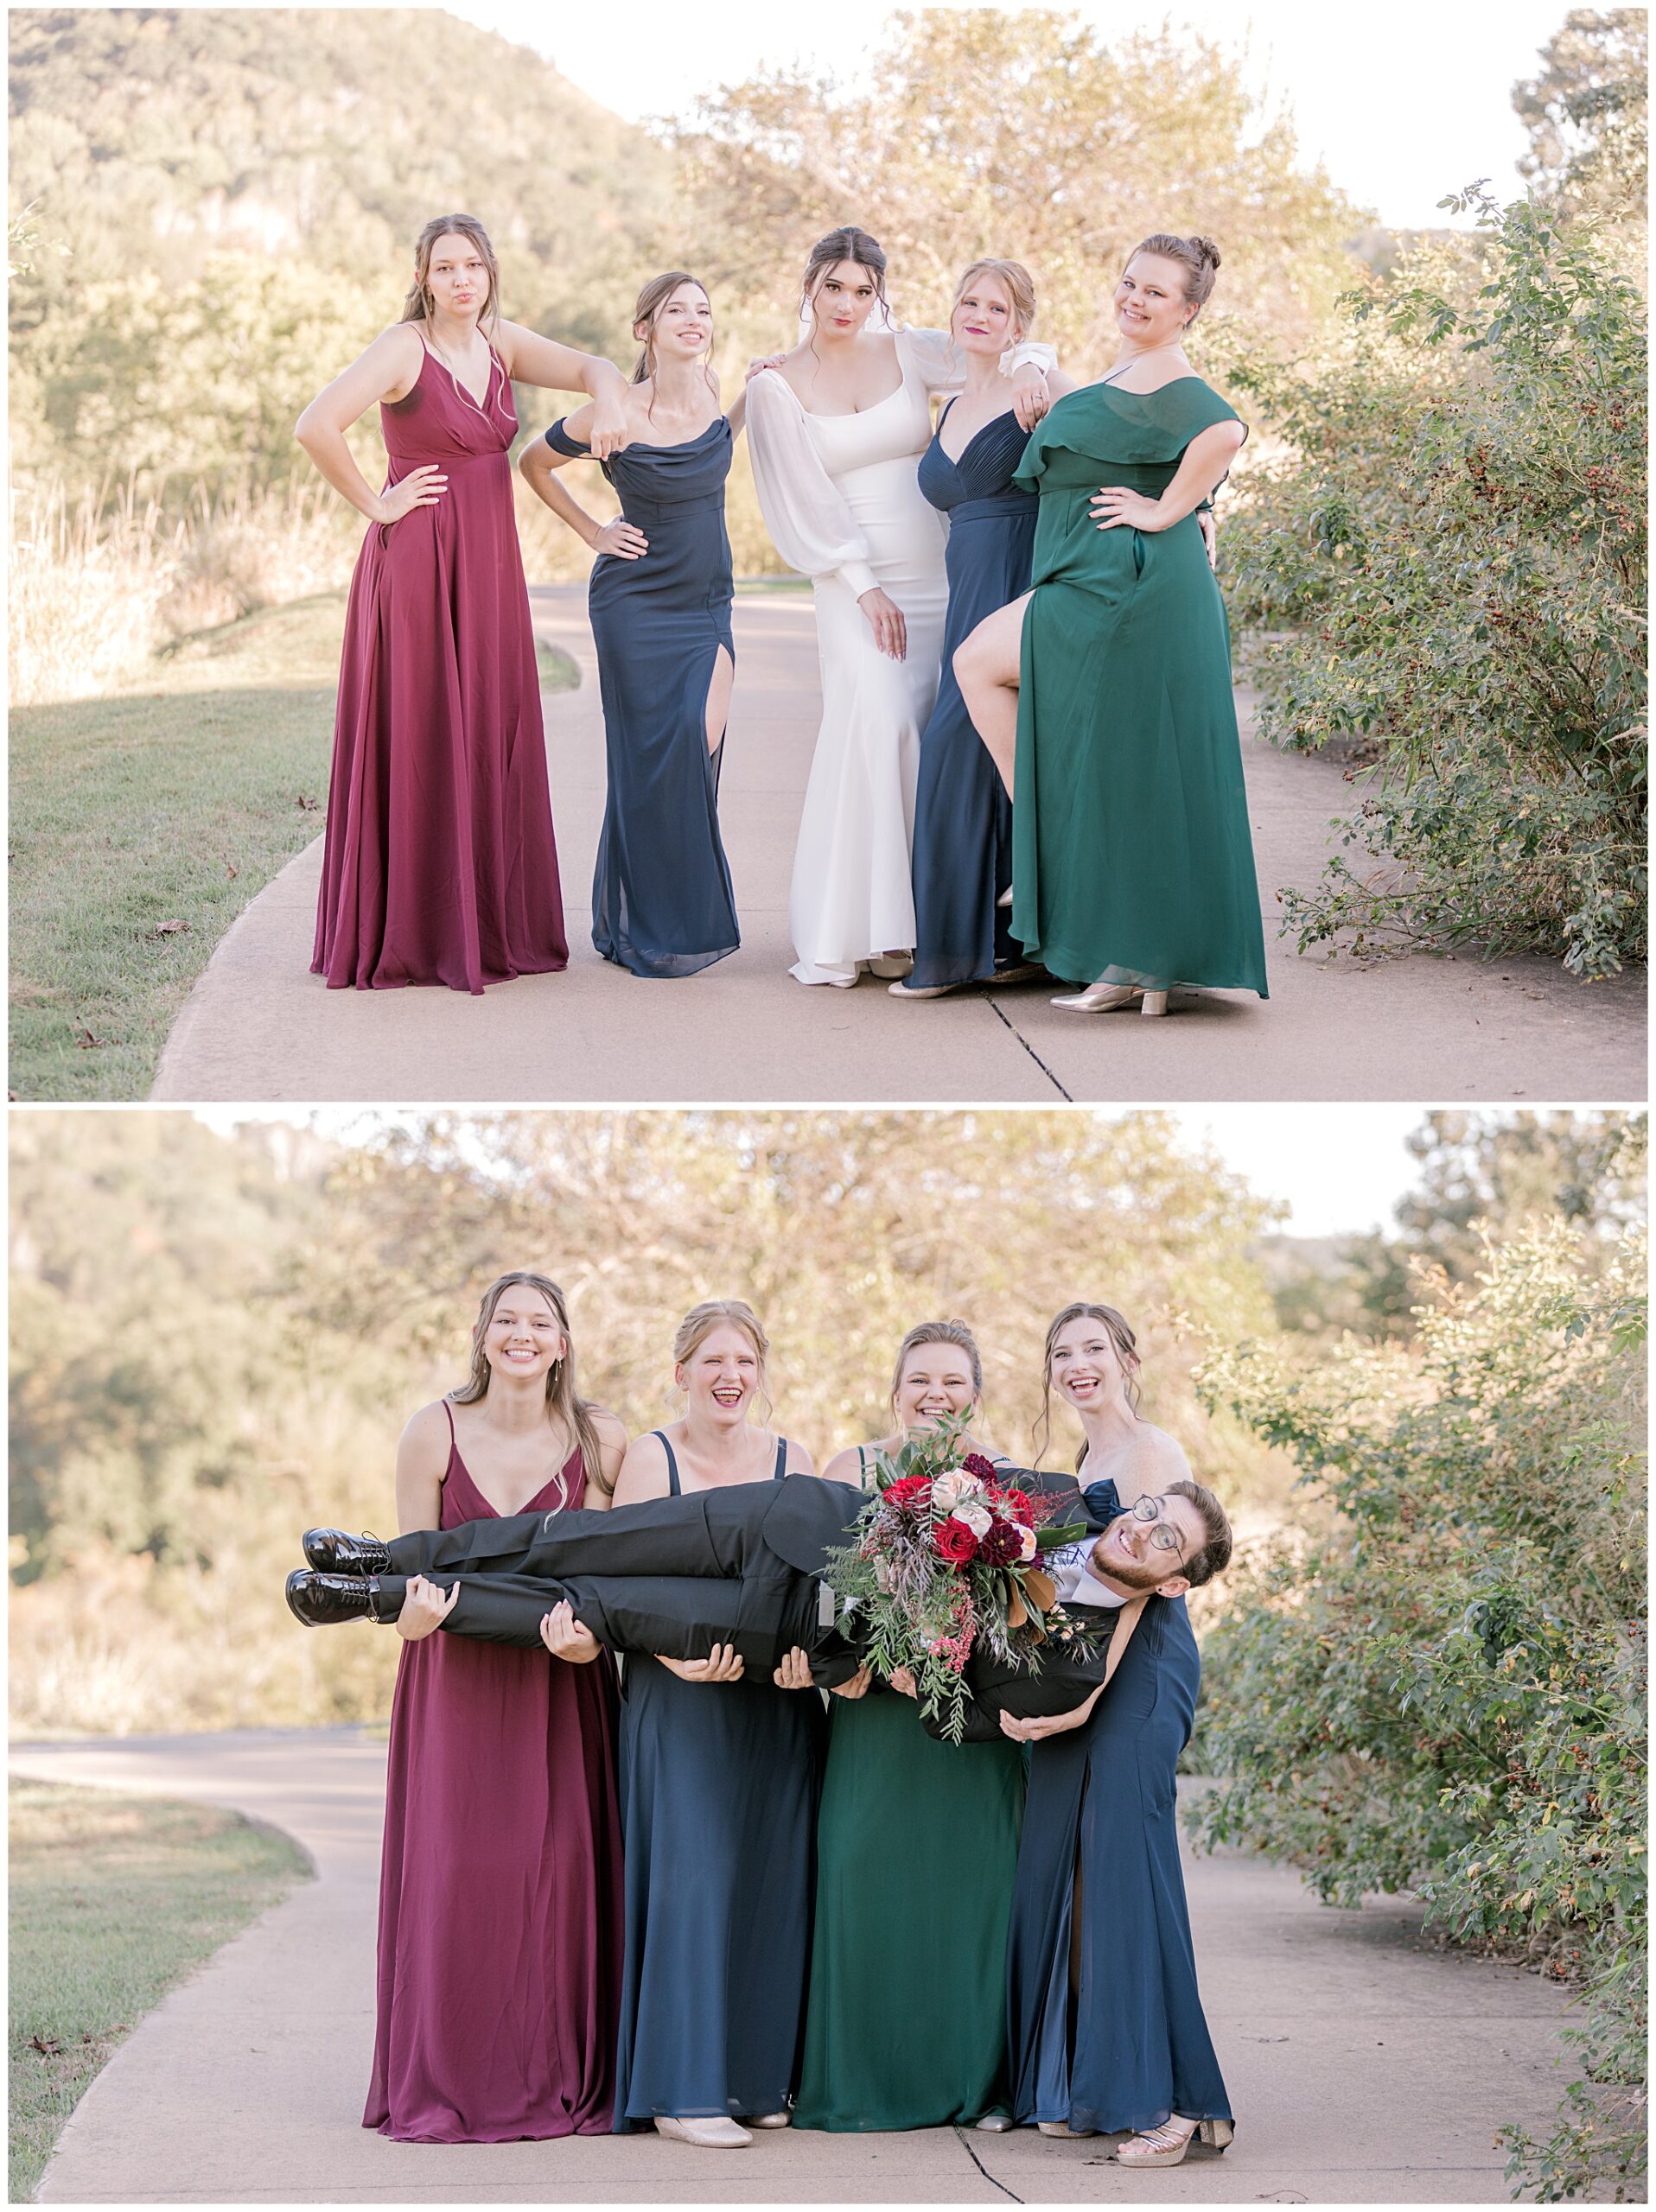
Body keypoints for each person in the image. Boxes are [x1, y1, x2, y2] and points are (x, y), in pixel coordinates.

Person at [298, 213, 628, 993]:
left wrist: (611, 399)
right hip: (418, 564)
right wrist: (377, 507)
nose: (460, 280)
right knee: (422, 728)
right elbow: (316, 426)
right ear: (422, 277)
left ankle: (485, 925)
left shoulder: (502, 342)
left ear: (489, 272)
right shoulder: (401, 347)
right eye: (445, 268)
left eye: (472, 266)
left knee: (487, 723)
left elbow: (594, 366)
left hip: (488, 568)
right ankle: (417, 931)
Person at [953, 232, 1269, 1017]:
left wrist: (1171, 508)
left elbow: (1225, 432)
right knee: (1126, 768)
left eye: (1156, 293)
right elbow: (1107, 425)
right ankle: (1136, 960)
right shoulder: (1128, 371)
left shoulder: (1177, 378)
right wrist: (1031, 364)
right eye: (1130, 283)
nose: (1135, 299)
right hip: (1095, 579)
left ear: (1188, 311)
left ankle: (1096, 913)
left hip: (1130, 587)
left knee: (985, 668)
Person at [743, 226, 1054, 987]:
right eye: (832, 287)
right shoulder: (772, 384)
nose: (847, 303)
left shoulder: (910, 351)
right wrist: (862, 585)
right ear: (808, 286)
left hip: (941, 576)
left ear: (878, 293)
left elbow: (994, 347)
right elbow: (798, 498)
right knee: (879, 722)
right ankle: (863, 926)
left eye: (862, 289)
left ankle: (930, 923)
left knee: (938, 737)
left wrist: (1037, 363)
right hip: (854, 583)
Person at [362, 1271, 628, 2143]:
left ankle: (557, 2072)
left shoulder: (598, 1439)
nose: (521, 1333)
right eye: (505, 1319)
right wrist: (412, 1613)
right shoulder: (430, 1429)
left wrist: (586, 1640)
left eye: (539, 1321)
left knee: (556, 1873)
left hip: (561, 1678)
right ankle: (450, 2076)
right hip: (456, 1679)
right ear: (481, 1335)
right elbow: (404, 1588)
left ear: (561, 1342)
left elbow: (603, 1583)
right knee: (459, 1873)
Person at [997, 1301, 1235, 2167]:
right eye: (1061, 1351)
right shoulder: (1085, 1457)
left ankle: (1166, 2105)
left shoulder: (1152, 1449)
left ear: (1126, 1358)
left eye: (1092, 1348)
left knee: (1127, 1877)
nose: (1076, 1364)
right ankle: (1091, 2084)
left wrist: (1086, 1697)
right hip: (1088, 1677)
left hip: (1135, 1677)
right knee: (1074, 1877)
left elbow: (1141, 1587)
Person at [794, 1322, 1027, 2132]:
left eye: (953, 1382)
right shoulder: (847, 1470)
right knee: (859, 1877)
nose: (935, 1395)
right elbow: (816, 1598)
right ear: (895, 1390)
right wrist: (850, 1663)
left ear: (975, 1395)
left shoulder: (999, 1484)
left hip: (965, 1729)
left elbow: (1019, 1610)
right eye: (920, 1380)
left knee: (973, 1894)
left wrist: (947, 1660)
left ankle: (975, 2083)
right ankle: (857, 2082)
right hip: (871, 1716)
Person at [519, 273, 742, 977]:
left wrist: (756, 394)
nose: (693, 320)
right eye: (676, 310)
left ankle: (674, 906)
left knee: (698, 737)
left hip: (707, 602)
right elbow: (532, 463)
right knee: (648, 763)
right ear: (645, 329)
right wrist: (592, 531)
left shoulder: (715, 396)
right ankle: (646, 921)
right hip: (634, 605)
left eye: (703, 310)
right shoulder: (611, 414)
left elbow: (717, 446)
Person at [896, 264, 1074, 999]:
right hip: (963, 587)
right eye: (968, 301)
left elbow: (1116, 423)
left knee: (959, 744)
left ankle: (968, 950)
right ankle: (998, 949)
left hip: (1018, 578)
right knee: (968, 745)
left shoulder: (1036, 387)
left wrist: (1198, 507)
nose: (978, 315)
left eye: (997, 307)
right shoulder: (950, 403)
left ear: (1019, 325)